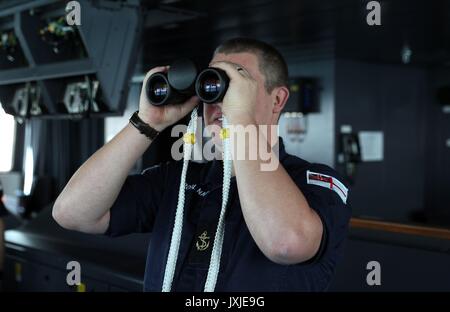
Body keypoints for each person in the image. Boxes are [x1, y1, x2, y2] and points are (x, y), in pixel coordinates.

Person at [52, 38, 351, 291]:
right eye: (214, 85)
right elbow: (72, 213)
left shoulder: (312, 182)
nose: (220, 100)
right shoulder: (179, 180)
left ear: (278, 100)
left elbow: (286, 243)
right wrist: (146, 123)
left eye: (237, 83)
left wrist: (240, 121)